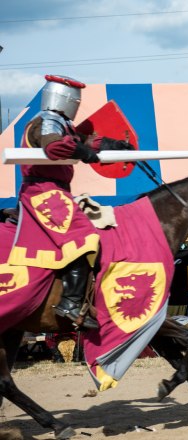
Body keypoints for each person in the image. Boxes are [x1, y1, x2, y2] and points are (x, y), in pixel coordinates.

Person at [9, 75, 135, 330]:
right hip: (43, 192)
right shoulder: (47, 121)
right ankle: (70, 303)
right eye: (75, 98)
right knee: (82, 238)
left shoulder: (60, 123)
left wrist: (113, 145)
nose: (77, 103)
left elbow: (81, 140)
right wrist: (83, 153)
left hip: (55, 190)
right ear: (65, 99)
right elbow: (55, 147)